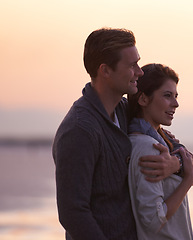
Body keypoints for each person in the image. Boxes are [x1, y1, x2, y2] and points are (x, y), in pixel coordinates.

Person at [52, 28, 180, 240]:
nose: (139, 72)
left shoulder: (123, 109)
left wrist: (177, 164)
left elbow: (167, 138)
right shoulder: (78, 130)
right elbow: (73, 213)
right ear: (105, 70)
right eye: (132, 65)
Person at [127, 63, 193, 239]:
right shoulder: (149, 147)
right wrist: (188, 179)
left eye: (175, 96)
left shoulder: (161, 142)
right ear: (143, 99)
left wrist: (179, 164)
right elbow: (152, 221)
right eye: (167, 96)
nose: (176, 103)